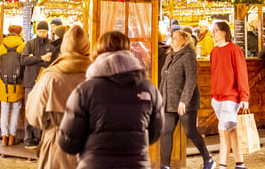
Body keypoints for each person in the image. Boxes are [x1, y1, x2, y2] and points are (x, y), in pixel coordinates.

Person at [58, 30, 162, 169]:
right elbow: (154, 135)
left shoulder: (85, 90)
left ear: (97, 52)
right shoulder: (149, 89)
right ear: (129, 51)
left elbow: (68, 143)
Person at [26, 25, 91, 169]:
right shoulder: (97, 76)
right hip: (92, 148)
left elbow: (33, 115)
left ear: (64, 47)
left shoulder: (51, 77)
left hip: (57, 145)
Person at [158, 29, 214, 169]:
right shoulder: (169, 55)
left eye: (176, 37)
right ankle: (164, 166)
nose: (172, 39)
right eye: (172, 37)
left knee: (190, 132)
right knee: (166, 131)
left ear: (184, 40)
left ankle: (208, 159)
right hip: (169, 101)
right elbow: (164, 80)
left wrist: (184, 101)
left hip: (185, 102)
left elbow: (191, 81)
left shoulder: (189, 56)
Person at [208, 20, 249, 169]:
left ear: (224, 33)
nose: (213, 33)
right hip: (217, 97)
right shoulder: (214, 52)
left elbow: (241, 73)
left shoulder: (234, 49)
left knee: (222, 130)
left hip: (231, 97)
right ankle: (240, 163)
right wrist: (213, 95)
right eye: (213, 31)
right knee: (231, 130)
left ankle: (222, 165)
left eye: (216, 31)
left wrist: (244, 96)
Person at [20, 20, 54, 149]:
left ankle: (39, 137)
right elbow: (23, 60)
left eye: (44, 31)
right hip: (30, 81)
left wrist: (34, 58)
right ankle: (28, 138)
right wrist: (41, 58)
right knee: (30, 108)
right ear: (36, 31)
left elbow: (52, 61)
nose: (41, 33)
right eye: (40, 31)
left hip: (45, 81)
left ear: (47, 32)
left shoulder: (51, 45)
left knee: (42, 109)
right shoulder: (29, 44)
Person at [0, 24, 26, 145]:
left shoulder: (2, 46)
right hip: (17, 82)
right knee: (16, 109)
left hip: (4, 83)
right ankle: (12, 137)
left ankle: (3, 137)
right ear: (19, 33)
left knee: (4, 109)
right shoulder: (22, 46)